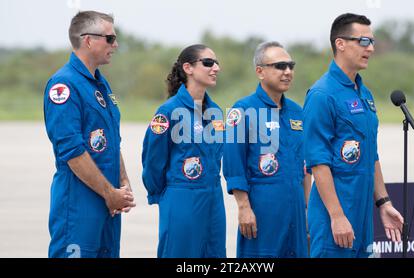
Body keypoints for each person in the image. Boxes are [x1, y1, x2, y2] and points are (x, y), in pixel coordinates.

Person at [303, 13, 404, 258]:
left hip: (362, 213)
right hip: (335, 214)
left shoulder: (364, 93)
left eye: (372, 41)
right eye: (363, 41)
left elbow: (371, 153)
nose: (370, 48)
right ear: (340, 43)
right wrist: (337, 216)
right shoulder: (321, 94)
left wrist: (383, 202)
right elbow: (318, 162)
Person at [43, 11, 135, 258]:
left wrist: (122, 183)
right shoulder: (64, 85)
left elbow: (110, 141)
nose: (115, 44)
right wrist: (110, 194)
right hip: (79, 202)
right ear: (88, 40)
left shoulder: (100, 84)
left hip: (108, 201)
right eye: (110, 38)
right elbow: (72, 151)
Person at [223, 41, 310, 258]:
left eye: (291, 65)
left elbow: (304, 166)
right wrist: (244, 208)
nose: (288, 71)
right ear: (260, 71)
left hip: (296, 208)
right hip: (263, 206)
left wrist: (308, 209)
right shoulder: (243, 110)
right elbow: (234, 164)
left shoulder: (297, 112)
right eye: (280, 66)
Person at [142, 44, 226, 258]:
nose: (215, 67)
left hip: (213, 198)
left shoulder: (215, 112)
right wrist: (164, 195)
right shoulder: (168, 111)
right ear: (188, 68)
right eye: (208, 63)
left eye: (216, 63)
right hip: (182, 197)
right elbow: (153, 160)